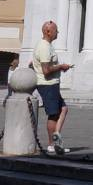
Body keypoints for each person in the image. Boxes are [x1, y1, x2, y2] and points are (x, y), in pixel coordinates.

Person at [33, 20, 73, 155]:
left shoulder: (47, 45)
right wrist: (61, 67)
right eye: (56, 30)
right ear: (48, 31)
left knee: (63, 109)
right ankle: (52, 144)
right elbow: (46, 70)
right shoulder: (44, 47)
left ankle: (56, 138)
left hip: (52, 84)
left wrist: (60, 68)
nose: (58, 32)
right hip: (47, 84)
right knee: (53, 114)